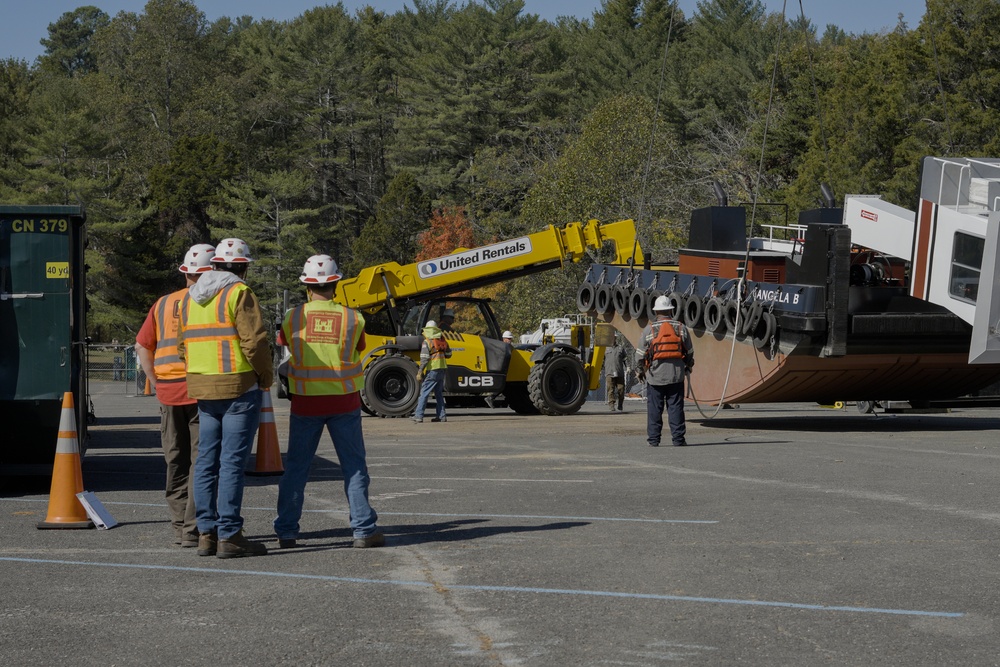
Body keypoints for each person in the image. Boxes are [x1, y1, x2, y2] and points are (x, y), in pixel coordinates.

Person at [273, 254, 384, 549]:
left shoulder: (292, 317)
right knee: (354, 467)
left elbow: (283, 344)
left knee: (297, 468)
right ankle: (363, 530)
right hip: (344, 401)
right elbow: (358, 348)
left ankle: (286, 531)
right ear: (336, 283)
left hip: (306, 402)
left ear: (307, 286)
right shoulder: (353, 317)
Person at [178, 238, 274, 558]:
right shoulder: (239, 293)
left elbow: (183, 345)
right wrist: (265, 376)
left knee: (206, 461)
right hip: (238, 388)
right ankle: (229, 534)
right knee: (231, 463)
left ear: (215, 264)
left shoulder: (190, 298)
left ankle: (206, 533)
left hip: (203, 388)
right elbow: (255, 343)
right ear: (243, 267)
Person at [135, 243, 214, 548]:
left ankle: (180, 526)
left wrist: (155, 382)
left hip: (168, 392)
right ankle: (196, 528)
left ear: (185, 273)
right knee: (201, 462)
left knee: (175, 461)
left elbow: (143, 346)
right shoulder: (209, 304)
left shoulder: (163, 304)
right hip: (200, 390)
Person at [635, 295, 694, 447]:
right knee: (676, 408)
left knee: (655, 409)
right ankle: (678, 439)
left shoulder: (649, 330)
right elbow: (690, 351)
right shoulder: (681, 328)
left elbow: (640, 354)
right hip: (676, 376)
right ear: (671, 310)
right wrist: (688, 365)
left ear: (656, 312)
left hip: (655, 377)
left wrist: (640, 371)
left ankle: (654, 440)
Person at [413, 319, 451, 423]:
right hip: (442, 369)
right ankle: (442, 416)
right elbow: (449, 355)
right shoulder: (442, 340)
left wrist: (420, 371)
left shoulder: (427, 342)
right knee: (438, 394)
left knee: (424, 393)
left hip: (432, 370)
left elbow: (424, 359)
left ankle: (418, 415)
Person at [604, 340, 627, 412]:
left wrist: (628, 367)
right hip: (609, 372)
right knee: (610, 390)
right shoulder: (605, 348)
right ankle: (611, 405)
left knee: (621, 389)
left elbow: (625, 359)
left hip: (619, 372)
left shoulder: (620, 348)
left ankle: (620, 405)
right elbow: (602, 360)